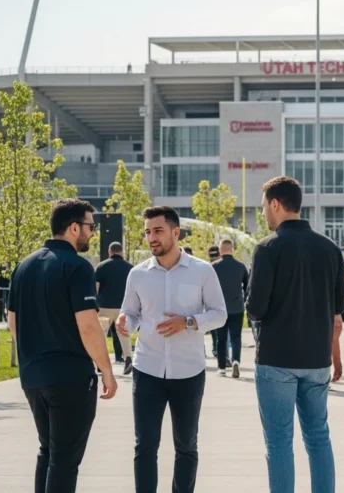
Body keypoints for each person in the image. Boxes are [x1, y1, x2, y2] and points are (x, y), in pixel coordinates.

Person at [245, 176, 344, 493]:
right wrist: (334, 354)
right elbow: (338, 314)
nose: (263, 213)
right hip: (317, 359)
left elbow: (257, 307)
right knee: (318, 436)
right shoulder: (330, 248)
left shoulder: (267, 248)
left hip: (277, 358)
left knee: (278, 442)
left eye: (264, 207)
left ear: (275, 204)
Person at [8, 199, 117, 493]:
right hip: (70, 377)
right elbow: (88, 325)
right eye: (90, 226)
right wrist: (106, 368)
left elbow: (13, 320)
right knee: (65, 460)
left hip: (33, 377)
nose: (93, 233)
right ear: (73, 228)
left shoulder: (24, 266)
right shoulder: (78, 268)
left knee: (48, 452)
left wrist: (33, 355)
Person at [116, 206, 227, 493]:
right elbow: (132, 311)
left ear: (175, 232)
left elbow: (219, 314)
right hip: (147, 370)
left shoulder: (202, 271)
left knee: (187, 446)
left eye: (158, 231)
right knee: (145, 446)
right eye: (148, 232)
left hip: (189, 372)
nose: (151, 237)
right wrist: (126, 321)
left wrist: (188, 322)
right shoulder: (137, 274)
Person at [95, 241, 135, 375]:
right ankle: (128, 358)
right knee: (124, 334)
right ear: (121, 252)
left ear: (109, 252)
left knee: (101, 335)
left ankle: (100, 364)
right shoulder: (130, 268)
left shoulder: (101, 266)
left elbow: (95, 285)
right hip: (123, 307)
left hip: (104, 306)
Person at [212, 239, 249, 379]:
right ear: (232, 249)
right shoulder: (240, 266)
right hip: (237, 308)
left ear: (220, 250)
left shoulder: (214, 267)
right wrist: (244, 300)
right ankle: (235, 361)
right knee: (236, 337)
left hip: (219, 308)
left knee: (220, 338)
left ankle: (221, 367)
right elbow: (248, 287)